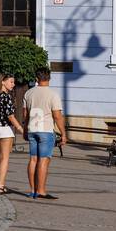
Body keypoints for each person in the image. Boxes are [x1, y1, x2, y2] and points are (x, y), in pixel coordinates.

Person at [23, 67, 66, 200]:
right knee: (43, 160)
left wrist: (25, 130)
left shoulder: (28, 93)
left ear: (36, 78)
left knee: (33, 159)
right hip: (46, 130)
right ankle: (41, 190)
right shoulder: (53, 95)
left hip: (32, 129)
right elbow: (57, 116)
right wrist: (63, 133)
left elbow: (25, 114)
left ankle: (32, 190)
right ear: (49, 78)